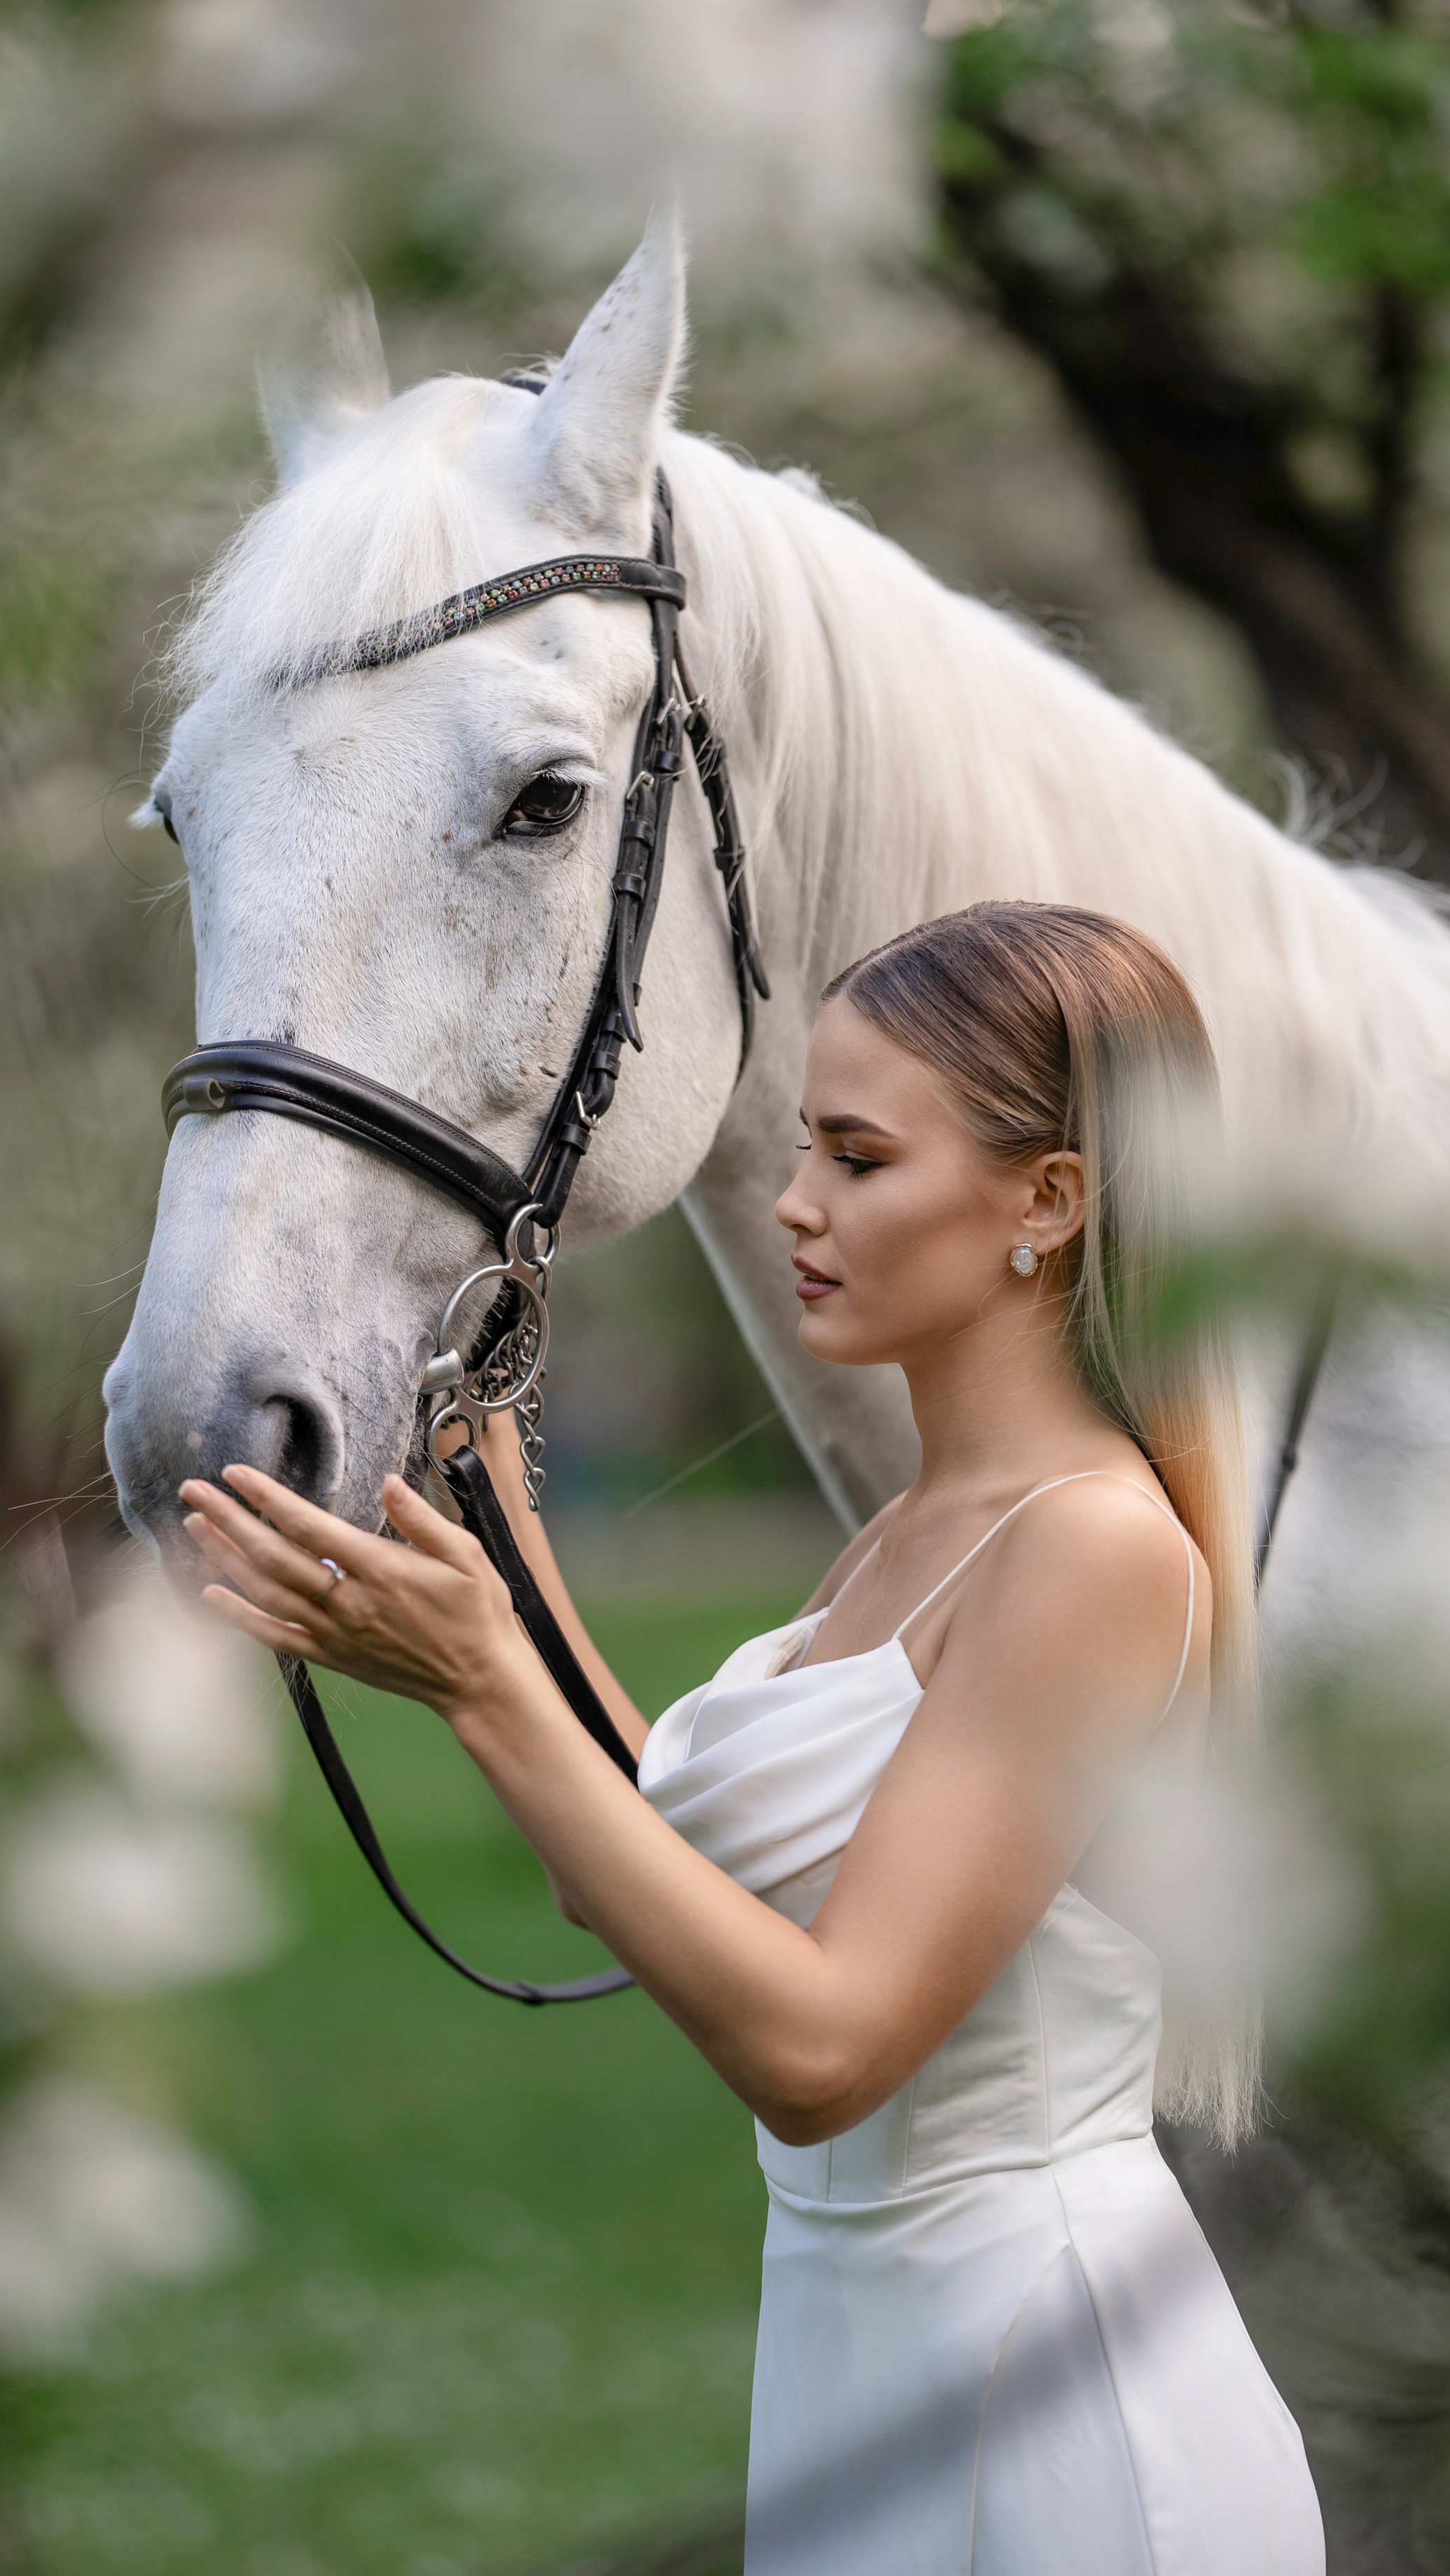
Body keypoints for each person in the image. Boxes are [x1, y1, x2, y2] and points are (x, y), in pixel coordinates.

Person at [180, 900, 1325, 2573]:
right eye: (804, 1147)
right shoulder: (916, 1529)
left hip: (1044, 2389)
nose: (793, 1203)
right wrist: (495, 1545)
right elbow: (652, 1868)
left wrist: (489, 1686)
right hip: (861, 2357)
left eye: (858, 1159)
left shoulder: (1087, 1546)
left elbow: (822, 2053)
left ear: (1046, 1203)